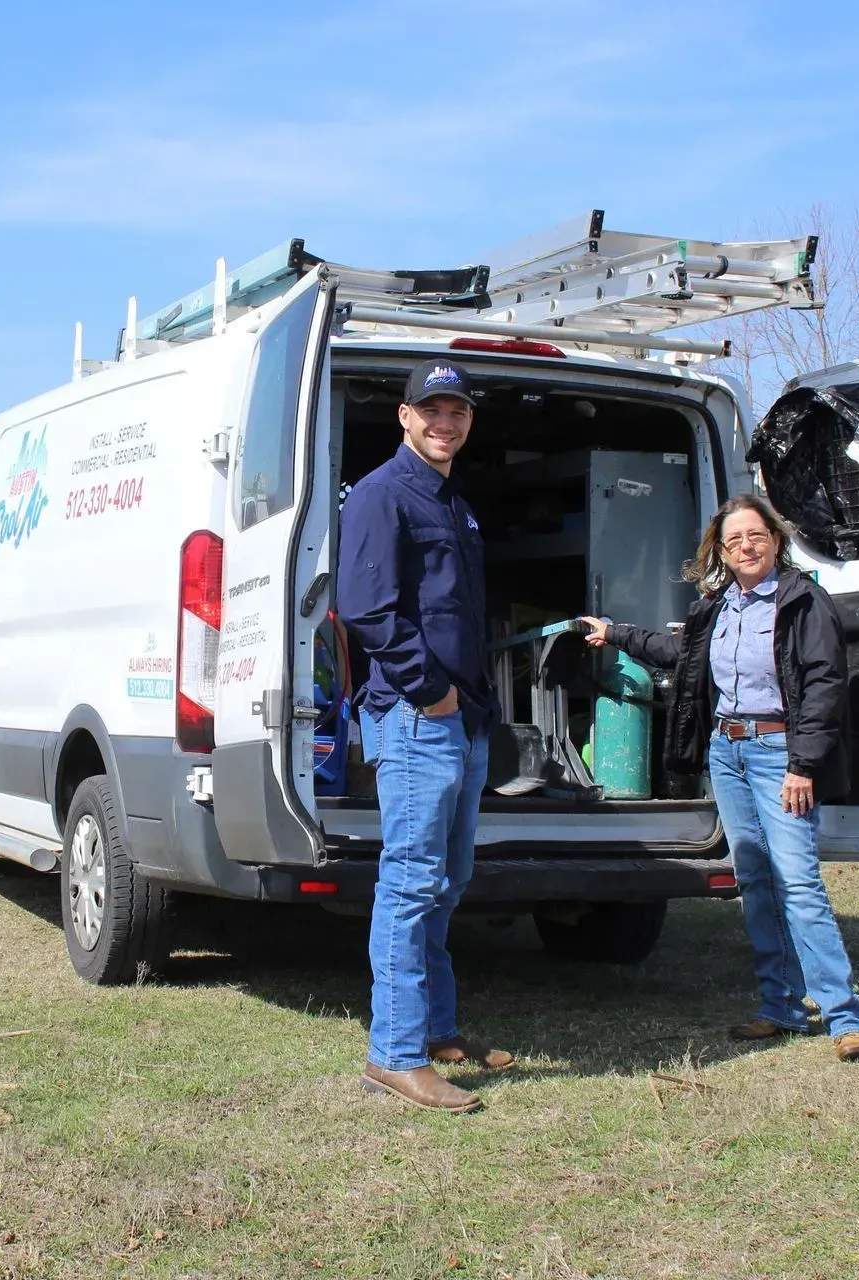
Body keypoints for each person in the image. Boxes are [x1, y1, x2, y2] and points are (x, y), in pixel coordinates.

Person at [581, 494, 859, 1062]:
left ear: (776, 540)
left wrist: (803, 764)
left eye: (756, 535)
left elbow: (824, 686)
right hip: (728, 752)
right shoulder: (718, 608)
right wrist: (615, 633)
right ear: (720, 550)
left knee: (799, 883)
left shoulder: (803, 602)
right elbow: (679, 654)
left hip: (779, 753)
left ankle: (844, 1017)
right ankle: (782, 1006)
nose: (746, 546)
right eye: (734, 539)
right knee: (757, 881)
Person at [338, 359, 516, 1113]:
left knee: (448, 881)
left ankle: (437, 1029)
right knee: (410, 884)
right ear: (405, 418)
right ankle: (394, 1054)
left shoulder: (451, 501)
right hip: (418, 719)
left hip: (460, 717)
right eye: (432, 411)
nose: (447, 423)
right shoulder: (384, 494)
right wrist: (432, 690)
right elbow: (366, 608)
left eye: (459, 412)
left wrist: (469, 701)